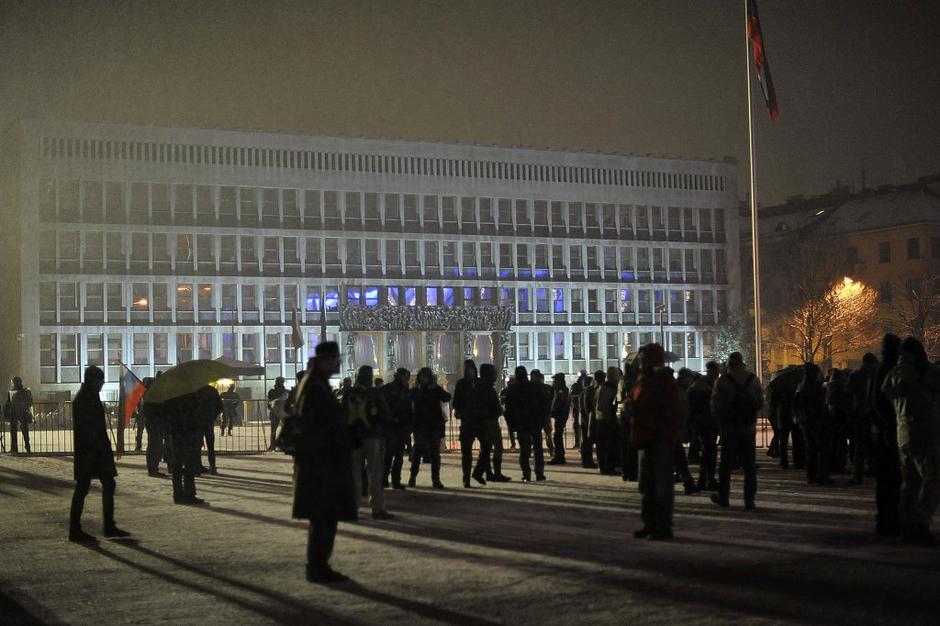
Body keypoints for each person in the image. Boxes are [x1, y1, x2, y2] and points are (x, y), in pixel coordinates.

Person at [292, 341, 357, 583]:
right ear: (323, 361)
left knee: (322, 518)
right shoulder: (316, 388)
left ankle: (318, 565)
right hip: (322, 463)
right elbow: (325, 424)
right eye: (333, 360)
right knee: (324, 517)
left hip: (318, 461)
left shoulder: (313, 383)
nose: (336, 364)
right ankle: (318, 567)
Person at [882, 337, 940, 545]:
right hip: (925, 431)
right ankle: (920, 521)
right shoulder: (925, 372)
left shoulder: (893, 373)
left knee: (910, 482)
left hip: (903, 432)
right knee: (933, 478)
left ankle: (906, 522)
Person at [630, 344, 687, 541]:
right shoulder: (643, 380)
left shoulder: (663, 381)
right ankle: (649, 523)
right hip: (646, 436)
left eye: (644, 358)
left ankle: (662, 527)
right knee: (647, 485)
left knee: (662, 486)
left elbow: (673, 410)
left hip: (659, 437)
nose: (641, 361)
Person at [69, 366, 130, 542]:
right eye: (100, 380)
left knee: (100, 485)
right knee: (85, 488)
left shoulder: (88, 396)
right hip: (92, 451)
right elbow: (91, 428)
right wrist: (100, 447)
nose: (102, 384)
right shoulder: (86, 399)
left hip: (92, 450)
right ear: (93, 381)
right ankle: (80, 528)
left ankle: (105, 525)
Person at [710, 352, 763, 510]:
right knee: (749, 466)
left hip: (729, 429)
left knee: (726, 465)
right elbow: (760, 402)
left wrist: (720, 423)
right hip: (748, 428)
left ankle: (724, 497)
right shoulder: (753, 379)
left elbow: (715, 405)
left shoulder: (722, 381)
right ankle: (749, 500)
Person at [344, 365, 393, 519]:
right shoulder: (375, 393)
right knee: (375, 473)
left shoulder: (348, 393)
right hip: (372, 436)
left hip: (353, 437)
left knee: (354, 474)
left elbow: (341, 414)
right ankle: (377, 508)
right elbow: (385, 414)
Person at [870, 334, 902, 536]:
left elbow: (874, 401)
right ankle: (889, 518)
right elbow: (878, 401)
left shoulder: (881, 369)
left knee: (887, 478)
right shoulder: (888, 370)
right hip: (890, 429)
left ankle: (886, 517)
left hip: (885, 429)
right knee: (892, 477)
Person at [409, 368, 451, 488]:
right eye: (422, 376)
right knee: (417, 453)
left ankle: (435, 479)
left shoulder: (434, 389)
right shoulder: (416, 391)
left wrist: (437, 389)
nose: (424, 379)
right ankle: (413, 476)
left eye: (426, 376)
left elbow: (447, 397)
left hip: (433, 425)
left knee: (435, 454)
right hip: (421, 425)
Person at [453, 360, 491, 487]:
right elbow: (456, 401)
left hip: (480, 421)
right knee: (466, 453)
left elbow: (486, 399)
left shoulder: (481, 383)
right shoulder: (461, 384)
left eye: (471, 370)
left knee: (486, 447)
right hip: (468, 421)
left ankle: (478, 472)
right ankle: (466, 477)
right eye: (467, 370)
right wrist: (459, 412)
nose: (469, 372)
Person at [505, 366, 545, 482]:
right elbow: (543, 403)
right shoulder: (535, 387)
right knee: (538, 449)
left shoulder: (513, 389)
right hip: (535, 421)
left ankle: (526, 474)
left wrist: (511, 423)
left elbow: (509, 408)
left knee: (524, 450)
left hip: (521, 423)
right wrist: (542, 419)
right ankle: (539, 473)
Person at [796, 363, 831, 485]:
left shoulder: (801, 387)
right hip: (817, 421)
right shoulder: (816, 387)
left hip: (805, 421)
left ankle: (811, 475)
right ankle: (823, 475)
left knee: (810, 449)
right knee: (822, 449)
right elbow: (820, 405)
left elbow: (798, 405)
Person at [688, 361, 719, 490]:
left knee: (708, 452)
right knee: (709, 451)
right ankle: (707, 480)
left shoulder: (701, 384)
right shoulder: (704, 386)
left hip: (705, 423)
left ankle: (705, 480)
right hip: (705, 423)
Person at [847, 353, 878, 484]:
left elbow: (849, 395)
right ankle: (868, 470)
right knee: (867, 445)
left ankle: (859, 474)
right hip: (869, 415)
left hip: (861, 414)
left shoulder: (856, 376)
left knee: (861, 446)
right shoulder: (874, 375)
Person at [381, 368, 413, 490]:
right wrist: (392, 418)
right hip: (393, 425)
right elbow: (385, 406)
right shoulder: (389, 389)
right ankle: (385, 479)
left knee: (398, 455)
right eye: (406, 377)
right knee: (390, 455)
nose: (407, 379)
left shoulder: (405, 389)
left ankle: (394, 480)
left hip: (402, 425)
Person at [479, 364, 511, 482]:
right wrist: (499, 410)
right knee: (497, 447)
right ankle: (493, 472)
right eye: (493, 373)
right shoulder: (487, 389)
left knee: (486, 448)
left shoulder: (483, 388)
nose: (495, 376)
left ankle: (488, 472)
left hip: (486, 421)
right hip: (490, 421)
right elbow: (494, 406)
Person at [768, 368, 804, 471]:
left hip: (783, 415)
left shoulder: (778, 387)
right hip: (794, 414)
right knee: (797, 439)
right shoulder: (797, 385)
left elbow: (773, 404)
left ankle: (784, 462)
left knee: (783, 440)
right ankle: (798, 462)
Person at [674, 368, 698, 495]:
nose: (691, 381)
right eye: (689, 378)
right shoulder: (677, 391)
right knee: (679, 456)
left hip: (673, 429)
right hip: (672, 429)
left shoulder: (680, 390)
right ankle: (687, 481)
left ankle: (685, 479)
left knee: (679, 456)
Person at [594, 367, 621, 475]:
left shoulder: (601, 388)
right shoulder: (612, 389)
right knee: (609, 446)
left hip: (600, 419)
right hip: (608, 421)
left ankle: (603, 467)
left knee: (602, 446)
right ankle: (608, 467)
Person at [616, 362, 639, 481]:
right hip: (630, 414)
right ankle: (632, 472)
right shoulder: (633, 382)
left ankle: (626, 472)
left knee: (625, 445)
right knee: (632, 445)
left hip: (622, 413)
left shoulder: (621, 381)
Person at [197, 384, 222, 475]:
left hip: (198, 421)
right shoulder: (212, 390)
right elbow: (220, 405)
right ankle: (212, 466)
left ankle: (197, 466)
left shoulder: (195, 391)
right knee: (211, 446)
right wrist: (213, 416)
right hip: (208, 421)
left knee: (197, 445)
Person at [4, 376, 33, 454]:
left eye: (13, 382)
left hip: (17, 413)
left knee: (16, 431)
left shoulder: (16, 392)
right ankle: (27, 448)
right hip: (21, 413)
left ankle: (15, 448)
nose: (12, 384)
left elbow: (8, 403)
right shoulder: (25, 391)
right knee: (24, 431)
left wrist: (6, 413)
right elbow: (30, 401)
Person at [579, 371, 602, 469]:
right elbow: (587, 407)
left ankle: (587, 461)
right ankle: (587, 462)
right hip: (587, 419)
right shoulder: (589, 391)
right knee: (587, 441)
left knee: (586, 441)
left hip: (585, 419)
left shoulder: (585, 391)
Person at [530, 370, 554, 460]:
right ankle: (551, 451)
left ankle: (538, 452)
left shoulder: (531, 388)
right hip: (544, 414)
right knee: (548, 434)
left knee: (536, 435)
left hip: (536, 414)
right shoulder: (548, 388)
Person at [547, 373, 570, 465]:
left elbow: (562, 404)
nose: (554, 382)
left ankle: (559, 457)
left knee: (557, 437)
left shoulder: (562, 391)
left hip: (561, 416)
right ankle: (559, 457)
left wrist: (554, 412)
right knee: (557, 436)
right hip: (559, 416)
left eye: (555, 380)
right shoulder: (558, 390)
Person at [267, 377, 289, 451]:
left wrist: (271, 409)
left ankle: (272, 446)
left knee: (273, 430)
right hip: (283, 413)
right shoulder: (286, 391)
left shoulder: (271, 391)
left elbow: (269, 403)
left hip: (274, 412)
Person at [570, 371, 587, 450]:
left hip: (582, 410)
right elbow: (572, 395)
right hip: (577, 409)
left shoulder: (587, 386)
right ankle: (578, 443)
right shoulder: (576, 385)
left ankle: (582, 444)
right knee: (577, 426)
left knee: (581, 427)